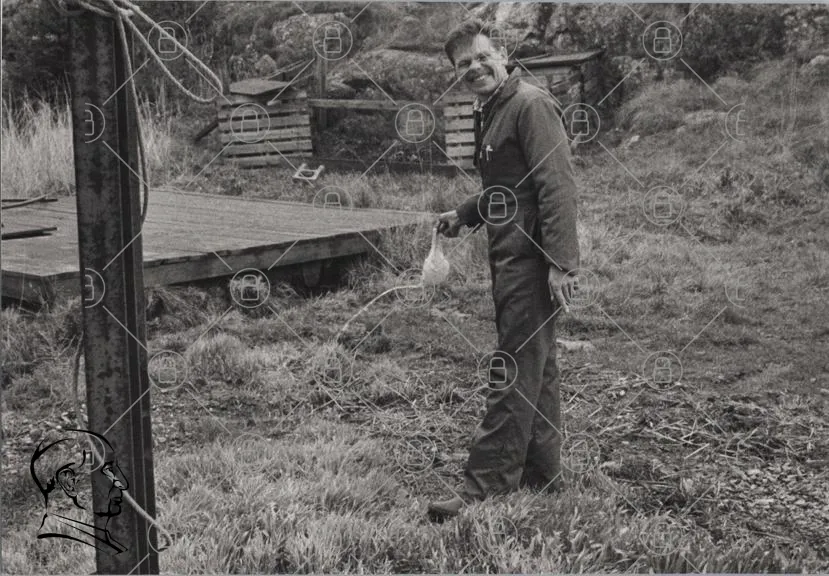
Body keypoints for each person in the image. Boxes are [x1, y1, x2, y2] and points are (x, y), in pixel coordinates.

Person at [429, 18, 580, 520]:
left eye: (481, 56)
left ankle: (484, 489)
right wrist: (465, 213)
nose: (474, 68)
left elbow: (557, 185)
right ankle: (542, 475)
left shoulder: (530, 105)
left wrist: (560, 263)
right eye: (463, 64)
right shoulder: (494, 108)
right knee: (538, 367)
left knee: (512, 368)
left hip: (532, 261)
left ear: (503, 54)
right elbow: (509, 187)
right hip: (510, 254)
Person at [30, 428, 130, 554]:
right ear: (69, 483)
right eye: (109, 472)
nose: (123, 484)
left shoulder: (103, 539)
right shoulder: (70, 550)